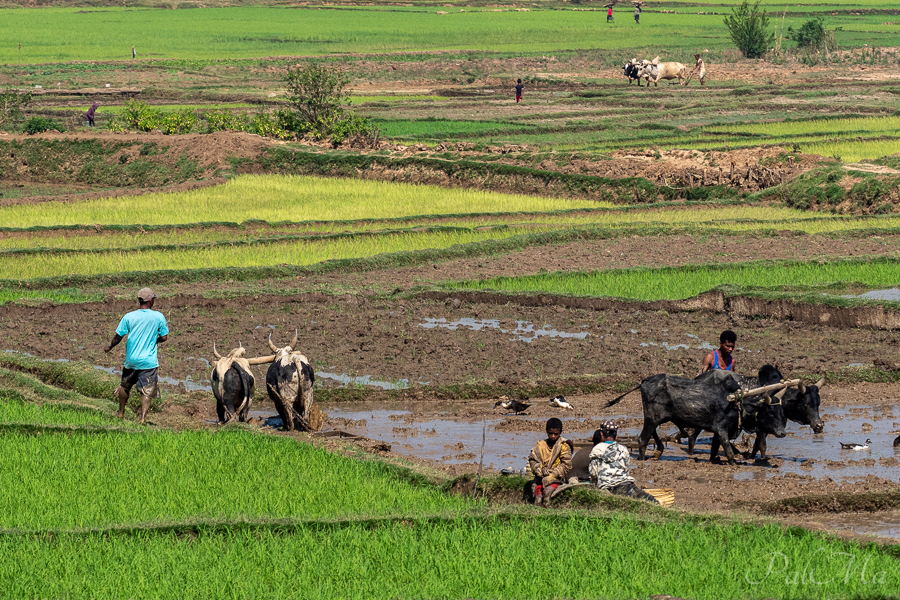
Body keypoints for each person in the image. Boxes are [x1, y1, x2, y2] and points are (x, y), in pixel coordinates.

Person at [104, 287, 169, 424]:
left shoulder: (129, 316)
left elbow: (118, 336)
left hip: (131, 360)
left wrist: (109, 347)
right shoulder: (158, 317)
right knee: (147, 391)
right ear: (150, 300)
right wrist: (154, 340)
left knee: (125, 386)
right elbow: (164, 337)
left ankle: (121, 413)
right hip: (148, 362)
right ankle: (143, 418)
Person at [588, 421, 659, 504]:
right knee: (651, 501)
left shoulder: (597, 449)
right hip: (626, 484)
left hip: (608, 487)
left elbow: (593, 473)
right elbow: (626, 470)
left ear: (601, 435)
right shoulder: (623, 449)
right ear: (616, 436)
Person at [527, 417, 573, 507]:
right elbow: (532, 460)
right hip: (541, 478)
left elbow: (566, 465)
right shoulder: (540, 445)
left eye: (556, 434)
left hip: (556, 478)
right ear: (546, 431)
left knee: (547, 492)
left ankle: (548, 513)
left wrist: (553, 473)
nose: (553, 436)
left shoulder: (563, 445)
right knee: (538, 498)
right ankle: (536, 517)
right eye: (550, 433)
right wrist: (540, 469)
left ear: (561, 432)